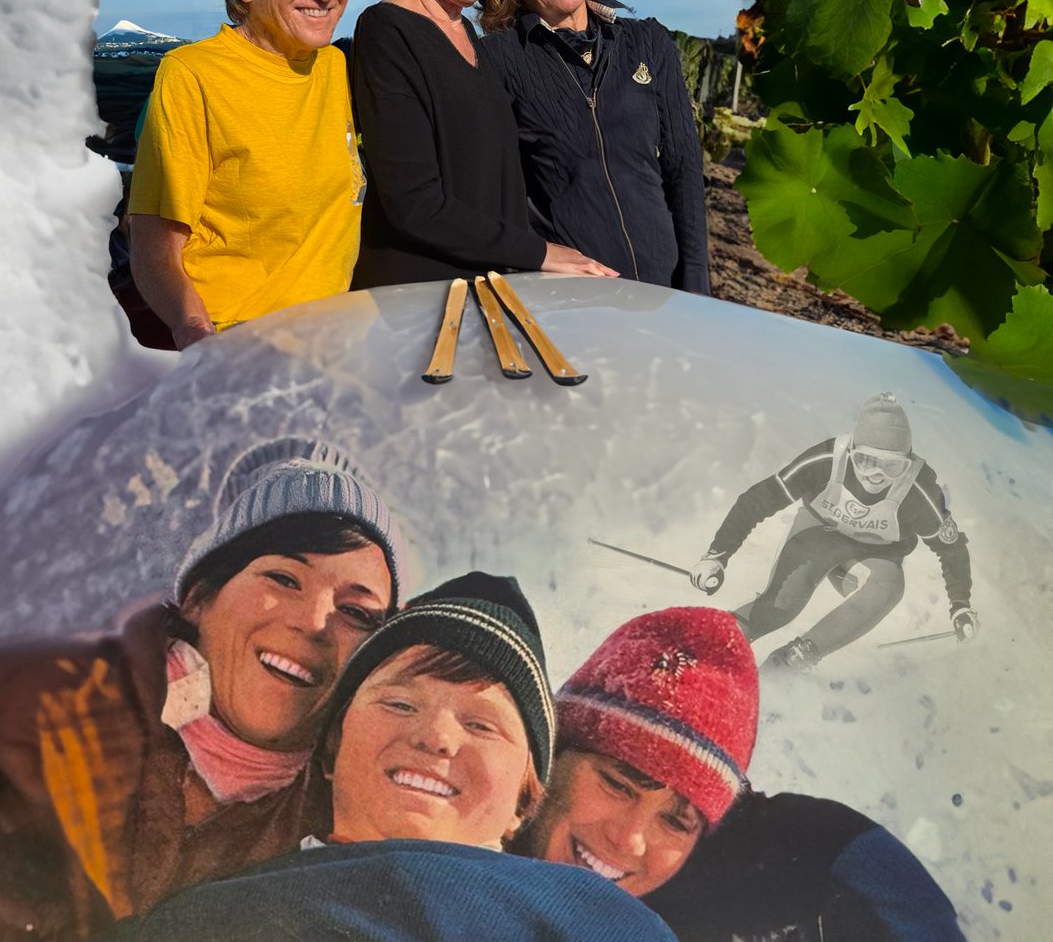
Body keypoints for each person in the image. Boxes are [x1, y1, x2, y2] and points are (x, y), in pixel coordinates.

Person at [0, 438, 403, 941]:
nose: (314, 621)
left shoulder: (337, 819)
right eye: (283, 578)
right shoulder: (29, 694)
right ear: (199, 598)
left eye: (356, 612)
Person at [108, 573, 677, 941]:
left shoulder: (600, 923)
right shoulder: (196, 918)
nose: (437, 738)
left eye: (481, 725)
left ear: (524, 802)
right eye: (400, 703)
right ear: (330, 749)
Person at [517, 607, 967, 942]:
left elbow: (818, 844)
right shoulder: (459, 838)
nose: (630, 838)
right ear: (554, 754)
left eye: (676, 820)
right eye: (617, 785)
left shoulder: (721, 878)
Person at [127, 0, 368, 349]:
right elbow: (154, 250)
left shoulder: (337, 67)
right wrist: (198, 338)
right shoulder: (192, 76)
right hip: (239, 343)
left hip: (335, 342)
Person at [350, 0, 617, 288]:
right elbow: (415, 203)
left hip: (486, 296)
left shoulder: (469, 35)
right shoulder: (386, 31)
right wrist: (539, 252)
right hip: (422, 306)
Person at [478, 0, 709, 293]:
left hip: (665, 294)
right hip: (572, 302)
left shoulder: (648, 42)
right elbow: (492, 198)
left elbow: (684, 170)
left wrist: (696, 289)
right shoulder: (498, 60)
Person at [689, 392, 977, 670]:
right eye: (866, 461)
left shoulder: (918, 489)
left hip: (869, 559)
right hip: (817, 538)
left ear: (908, 461)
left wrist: (960, 604)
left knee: (888, 587)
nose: (875, 476)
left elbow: (950, 546)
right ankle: (712, 645)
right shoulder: (826, 460)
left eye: (891, 466)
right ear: (851, 450)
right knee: (783, 605)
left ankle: (789, 664)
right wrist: (717, 556)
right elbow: (757, 501)